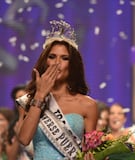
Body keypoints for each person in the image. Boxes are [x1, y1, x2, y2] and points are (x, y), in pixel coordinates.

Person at [16, 20, 98, 160]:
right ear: (45, 61)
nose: (57, 63)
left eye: (64, 58)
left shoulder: (88, 105)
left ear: (72, 65)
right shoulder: (29, 100)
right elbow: (24, 139)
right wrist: (40, 95)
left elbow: (92, 151)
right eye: (52, 57)